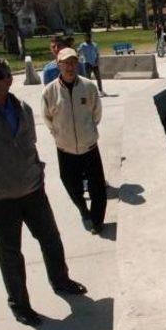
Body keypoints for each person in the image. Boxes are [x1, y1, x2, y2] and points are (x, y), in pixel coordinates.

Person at [0, 55, 87, 327]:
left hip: (33, 190)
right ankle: (20, 304)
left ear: (10, 79)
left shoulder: (22, 107)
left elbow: (28, 145)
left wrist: (37, 171)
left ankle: (60, 280)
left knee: (51, 239)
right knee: (11, 254)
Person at [42, 48, 107, 235]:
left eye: (73, 62)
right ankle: (82, 208)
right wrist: (60, 135)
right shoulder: (50, 91)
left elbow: (96, 114)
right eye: (65, 63)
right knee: (71, 184)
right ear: (58, 64)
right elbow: (47, 118)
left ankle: (97, 221)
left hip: (89, 146)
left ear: (77, 63)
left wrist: (88, 131)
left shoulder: (89, 87)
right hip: (65, 148)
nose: (69, 66)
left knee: (97, 187)